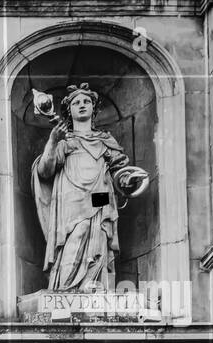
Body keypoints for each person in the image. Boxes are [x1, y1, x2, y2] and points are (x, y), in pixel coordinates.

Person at [33, 84, 148, 293]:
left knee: (98, 234)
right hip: (72, 198)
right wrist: (52, 141)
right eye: (76, 102)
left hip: (100, 195)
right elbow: (45, 171)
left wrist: (126, 181)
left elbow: (119, 173)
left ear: (94, 108)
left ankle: (94, 288)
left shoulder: (105, 141)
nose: (82, 105)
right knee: (78, 232)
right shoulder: (65, 141)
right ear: (70, 111)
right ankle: (65, 289)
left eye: (86, 101)